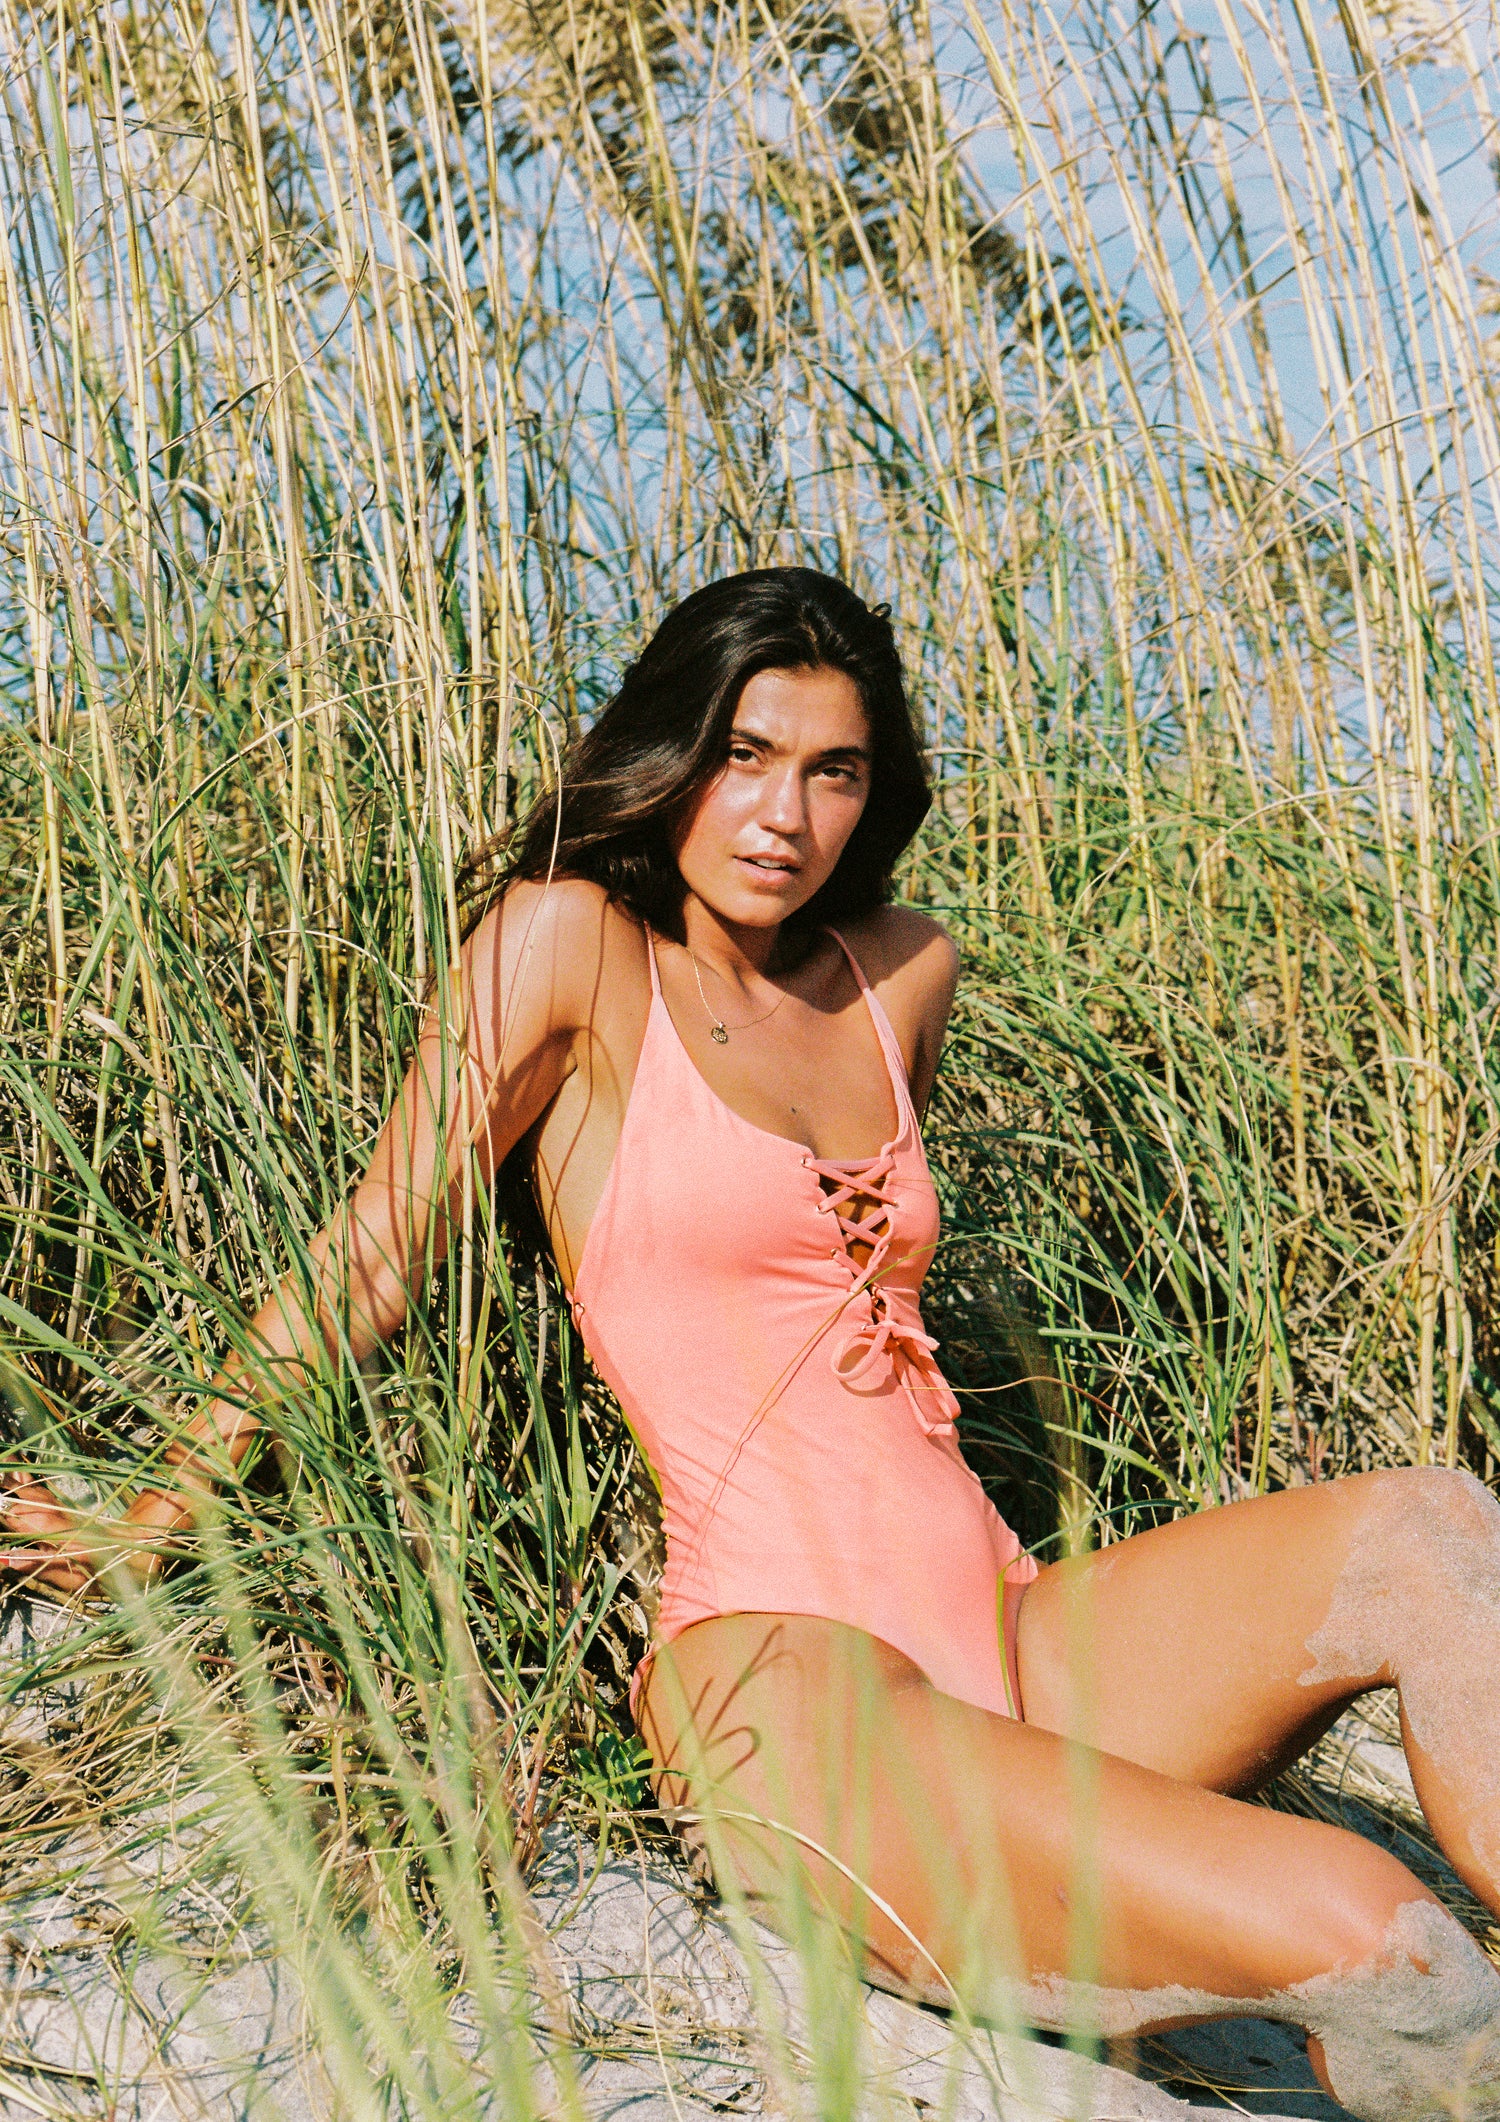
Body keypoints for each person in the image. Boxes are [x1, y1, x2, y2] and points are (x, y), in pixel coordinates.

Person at [6, 568, 1500, 2120]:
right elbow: (375, 1249)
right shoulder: (570, 946)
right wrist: (155, 1506)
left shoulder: (897, 972)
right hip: (782, 1687)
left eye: (832, 768)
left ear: (876, 791)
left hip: (1010, 1635)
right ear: (673, 752)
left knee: (1438, 1527)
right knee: (1403, 1960)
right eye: (744, 752)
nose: (783, 811)